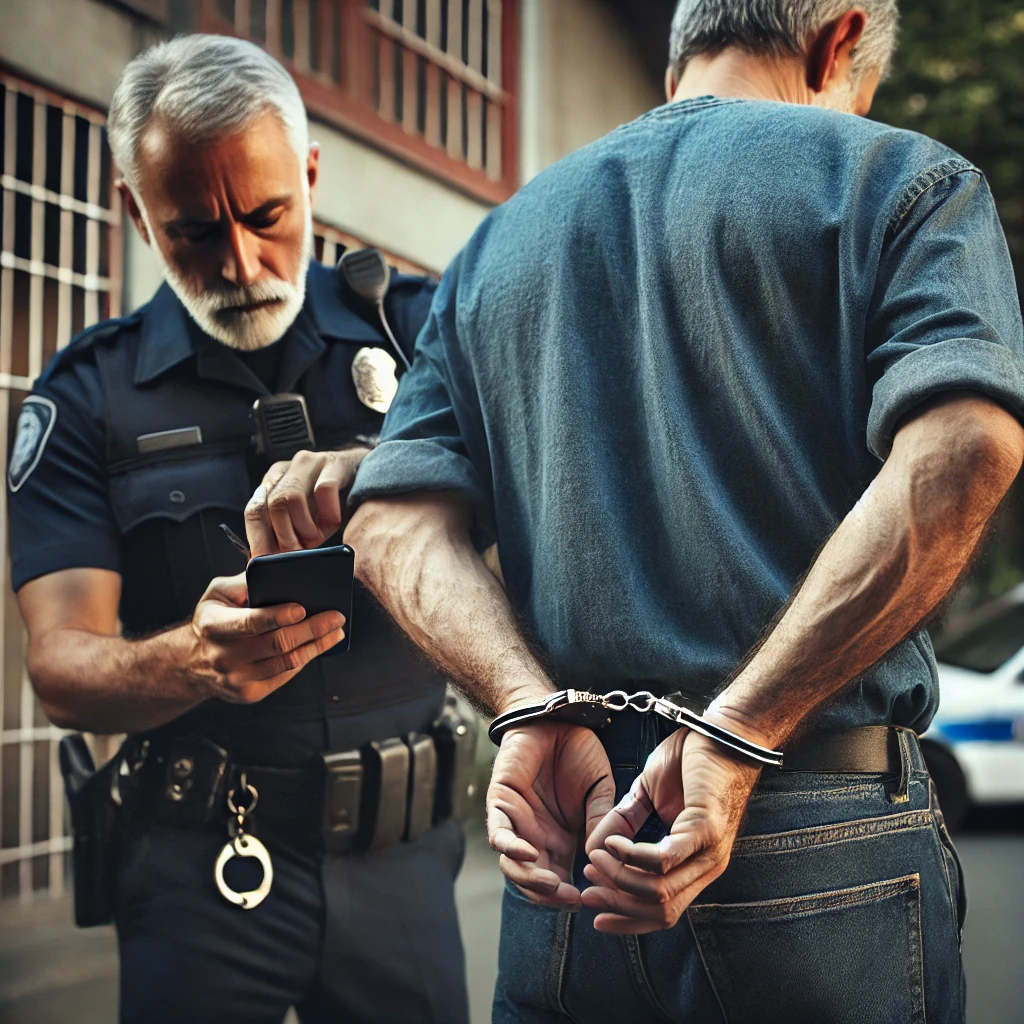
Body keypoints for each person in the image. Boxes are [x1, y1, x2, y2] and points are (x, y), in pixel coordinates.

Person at [273, 0, 1024, 1021]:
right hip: (816, 827)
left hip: (568, 844)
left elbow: (390, 523)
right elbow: (966, 447)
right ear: (838, 41)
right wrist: (741, 730)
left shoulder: (499, 245)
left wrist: (525, 707)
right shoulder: (903, 181)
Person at [8, 35, 469, 1024]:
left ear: (310, 174)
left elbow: (540, 495)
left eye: (269, 217)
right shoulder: (88, 393)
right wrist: (193, 662)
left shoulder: (424, 337)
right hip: (197, 866)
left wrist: (383, 466)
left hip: (405, 863)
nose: (242, 264)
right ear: (135, 211)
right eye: (192, 234)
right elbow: (59, 666)